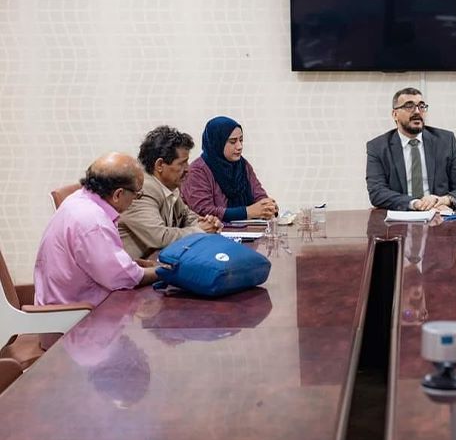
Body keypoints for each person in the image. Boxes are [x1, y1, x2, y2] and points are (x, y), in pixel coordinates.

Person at [34, 153, 158, 307]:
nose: (134, 200)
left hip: (70, 303)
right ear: (118, 194)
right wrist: (163, 272)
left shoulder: (79, 199)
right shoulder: (93, 221)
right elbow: (122, 278)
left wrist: (131, 265)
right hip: (75, 314)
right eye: (137, 194)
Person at [118, 126, 223, 259]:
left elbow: (186, 216)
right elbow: (160, 237)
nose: (188, 169)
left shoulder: (169, 186)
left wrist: (208, 223)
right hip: (135, 268)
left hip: (155, 262)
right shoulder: (141, 190)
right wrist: (200, 230)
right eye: (182, 163)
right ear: (160, 165)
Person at [366, 87, 456, 212]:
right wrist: (415, 204)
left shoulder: (446, 141)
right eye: (409, 106)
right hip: (402, 214)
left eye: (421, 106)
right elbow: (377, 192)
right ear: (395, 114)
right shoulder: (378, 147)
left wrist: (442, 200)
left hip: (440, 214)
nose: (417, 112)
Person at [181, 116, 278, 222]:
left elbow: (258, 194)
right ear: (217, 143)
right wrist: (247, 212)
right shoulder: (198, 171)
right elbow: (204, 211)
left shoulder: (243, 165)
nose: (239, 146)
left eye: (241, 140)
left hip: (247, 230)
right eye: (233, 141)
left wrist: (267, 206)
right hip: (212, 231)